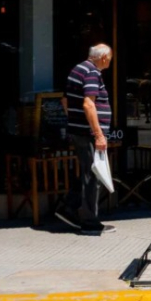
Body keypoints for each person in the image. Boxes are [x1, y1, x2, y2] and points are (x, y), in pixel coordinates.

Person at [57, 44, 114, 235]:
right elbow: (89, 104)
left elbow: (65, 101)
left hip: (79, 130)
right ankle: (89, 222)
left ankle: (69, 208)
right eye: (110, 58)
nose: (110, 61)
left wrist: (74, 121)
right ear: (104, 57)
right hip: (87, 133)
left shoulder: (78, 69)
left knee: (88, 172)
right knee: (94, 175)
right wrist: (98, 134)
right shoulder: (91, 72)